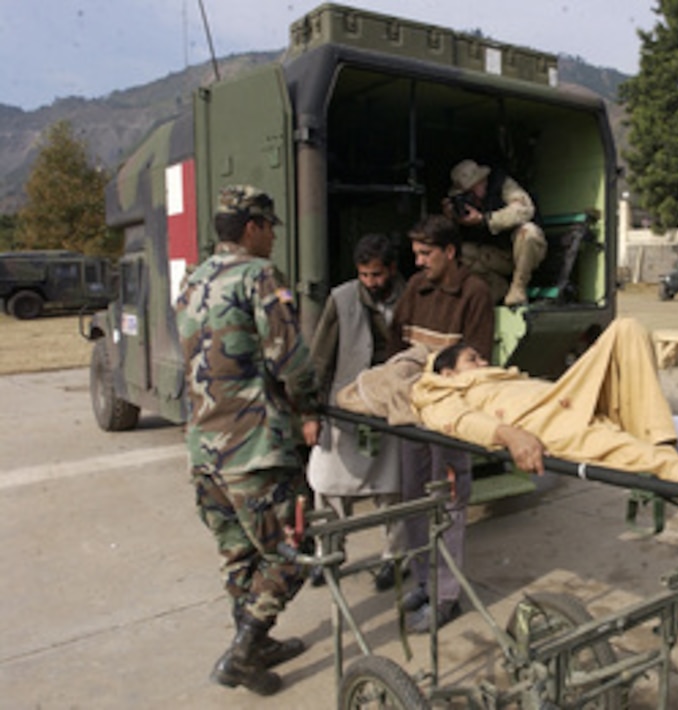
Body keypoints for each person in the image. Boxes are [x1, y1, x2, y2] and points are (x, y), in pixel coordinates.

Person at [175, 185, 321, 696]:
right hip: (253, 448)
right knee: (295, 549)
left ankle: (255, 649)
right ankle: (241, 653)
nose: (274, 235)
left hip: (204, 453)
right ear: (253, 227)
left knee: (240, 556)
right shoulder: (259, 276)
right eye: (270, 226)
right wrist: (309, 408)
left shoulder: (194, 280)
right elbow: (290, 358)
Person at [411, 318, 678, 501]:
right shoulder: (438, 390)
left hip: (567, 397)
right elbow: (458, 421)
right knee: (640, 456)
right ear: (448, 372)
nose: (482, 363)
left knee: (627, 327)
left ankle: (659, 440)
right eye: (472, 359)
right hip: (546, 426)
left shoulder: (501, 376)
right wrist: (510, 435)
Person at [391, 213, 495, 633]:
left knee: (450, 503)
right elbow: (394, 341)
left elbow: (477, 366)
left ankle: (446, 596)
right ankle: (422, 581)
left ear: (450, 252)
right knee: (413, 498)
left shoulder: (475, 293)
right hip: (413, 414)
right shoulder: (417, 288)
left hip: (451, 421)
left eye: (426, 253)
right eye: (415, 253)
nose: (418, 261)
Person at [307, 233, 407, 592]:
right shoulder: (342, 298)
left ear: (392, 270)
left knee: (391, 489)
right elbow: (320, 358)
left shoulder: (408, 296)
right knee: (329, 486)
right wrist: (309, 412)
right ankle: (328, 553)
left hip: (389, 410)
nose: (371, 282)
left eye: (377, 275)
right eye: (365, 275)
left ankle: (395, 558)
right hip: (343, 410)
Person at [442, 158, 547, 307]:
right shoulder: (469, 205)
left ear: (482, 181)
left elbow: (525, 210)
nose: (471, 196)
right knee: (458, 252)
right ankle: (497, 288)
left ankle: (518, 287)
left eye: (472, 190)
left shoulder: (502, 185)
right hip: (496, 255)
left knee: (529, 232)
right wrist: (451, 219)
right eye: (466, 194)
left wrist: (485, 219)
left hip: (524, 252)